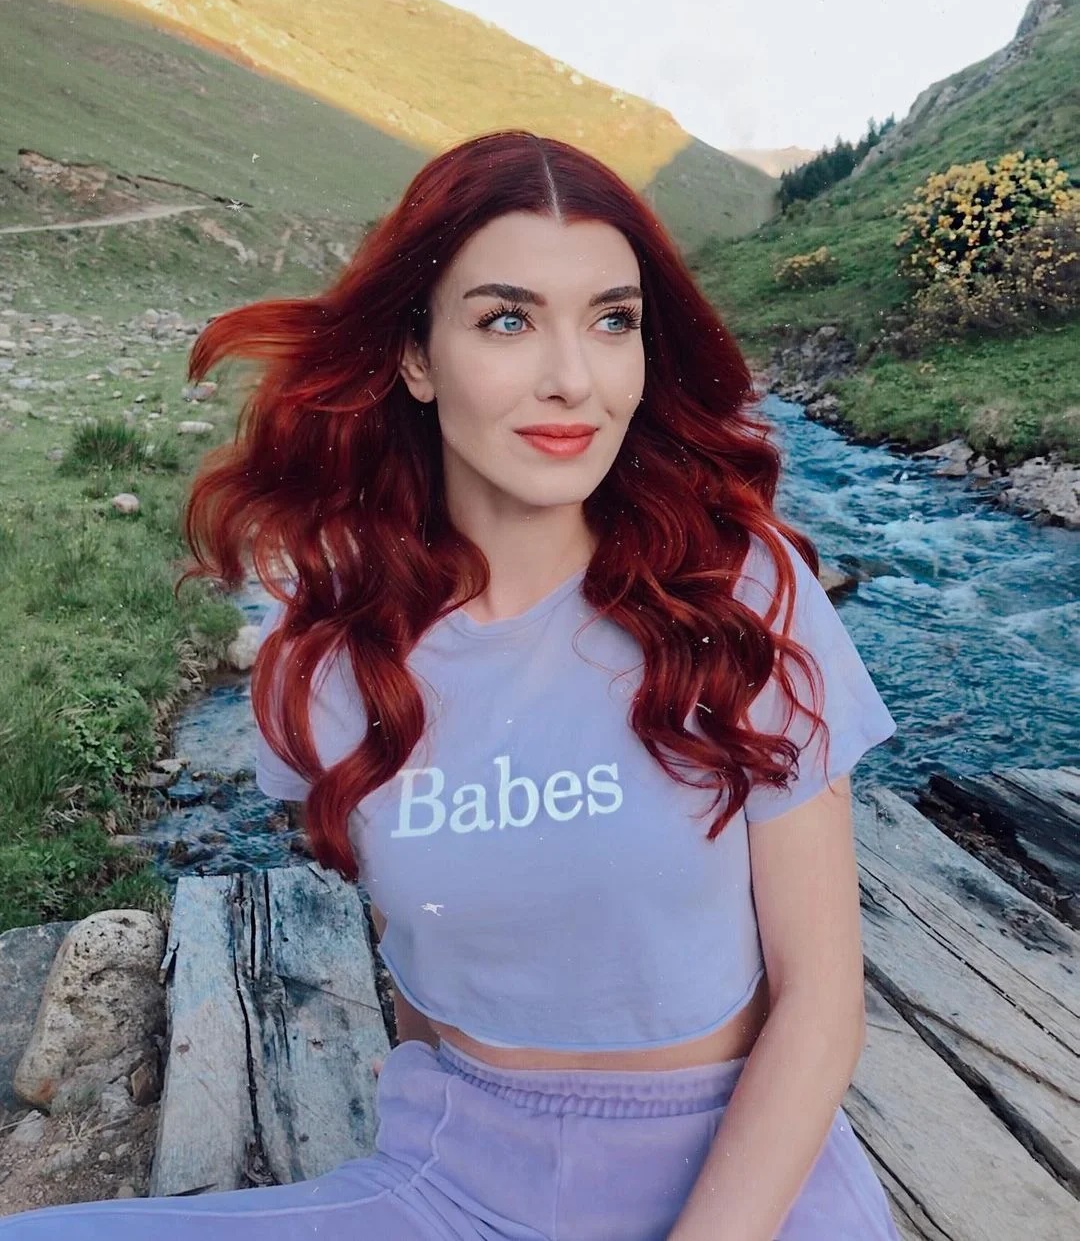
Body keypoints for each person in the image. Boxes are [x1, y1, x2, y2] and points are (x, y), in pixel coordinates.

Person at [1, 130, 901, 1240]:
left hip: (750, 1193)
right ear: (418, 358)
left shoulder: (739, 589)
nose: (573, 376)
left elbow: (822, 1006)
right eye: (507, 320)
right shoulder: (334, 651)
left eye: (612, 319)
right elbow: (424, 963)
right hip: (458, 1183)